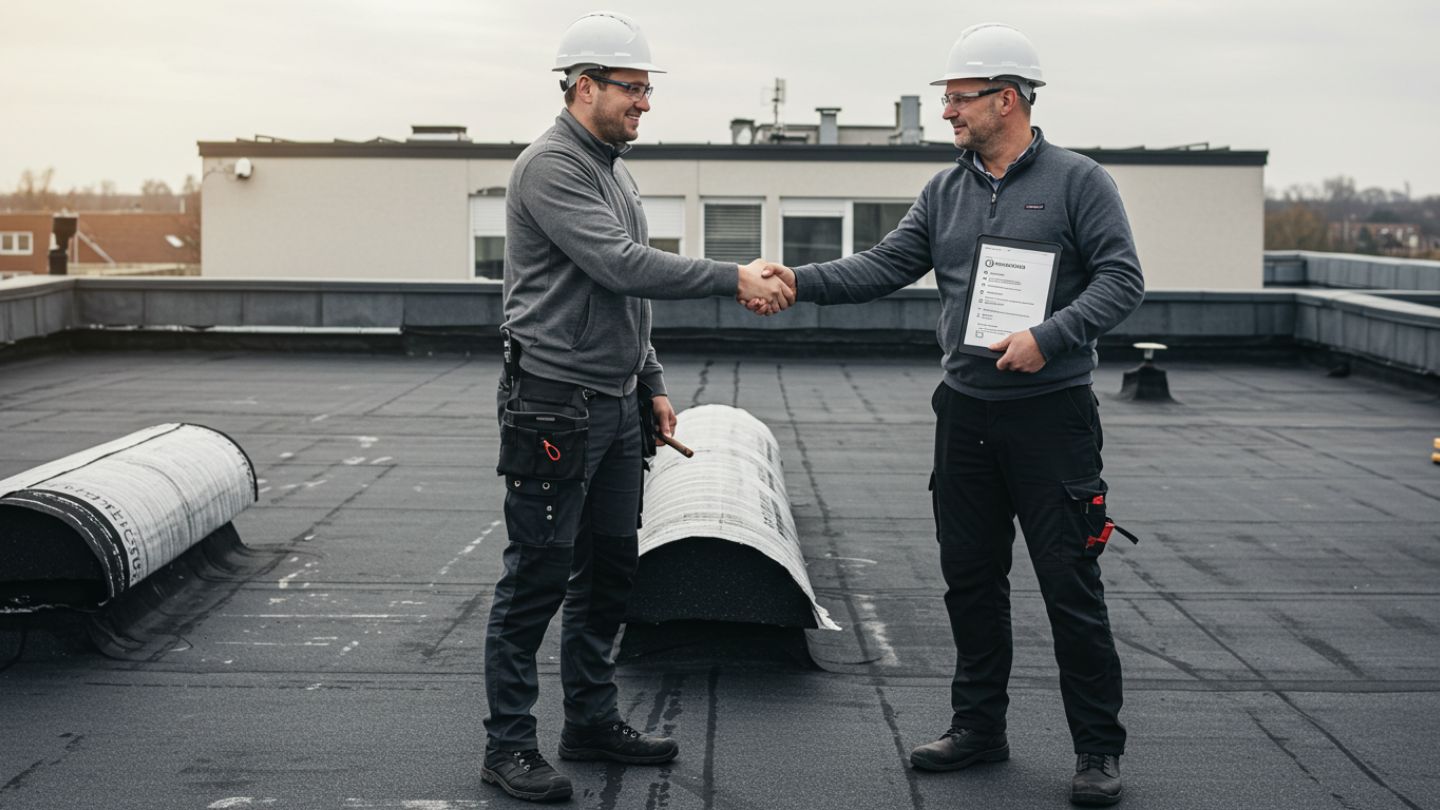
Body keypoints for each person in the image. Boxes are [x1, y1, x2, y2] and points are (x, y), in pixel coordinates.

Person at [759, 22, 1143, 807]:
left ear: (1007, 99)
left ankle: (1098, 751)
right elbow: (884, 265)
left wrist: (1049, 335)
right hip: (964, 415)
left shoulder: (1079, 182)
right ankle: (979, 728)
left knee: (1070, 585)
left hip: (1051, 417)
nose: (947, 113)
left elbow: (1122, 280)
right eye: (946, 99)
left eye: (958, 98)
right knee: (970, 581)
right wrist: (796, 279)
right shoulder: (946, 189)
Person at [481, 11, 792, 803]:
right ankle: (507, 747)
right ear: (585, 86)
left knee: (611, 572)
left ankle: (588, 720)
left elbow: (625, 300)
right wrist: (732, 278)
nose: (645, 104)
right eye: (634, 89)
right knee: (537, 579)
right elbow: (621, 266)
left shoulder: (611, 167)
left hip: (616, 406)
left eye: (647, 91)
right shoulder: (551, 167)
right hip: (553, 406)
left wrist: (650, 381)